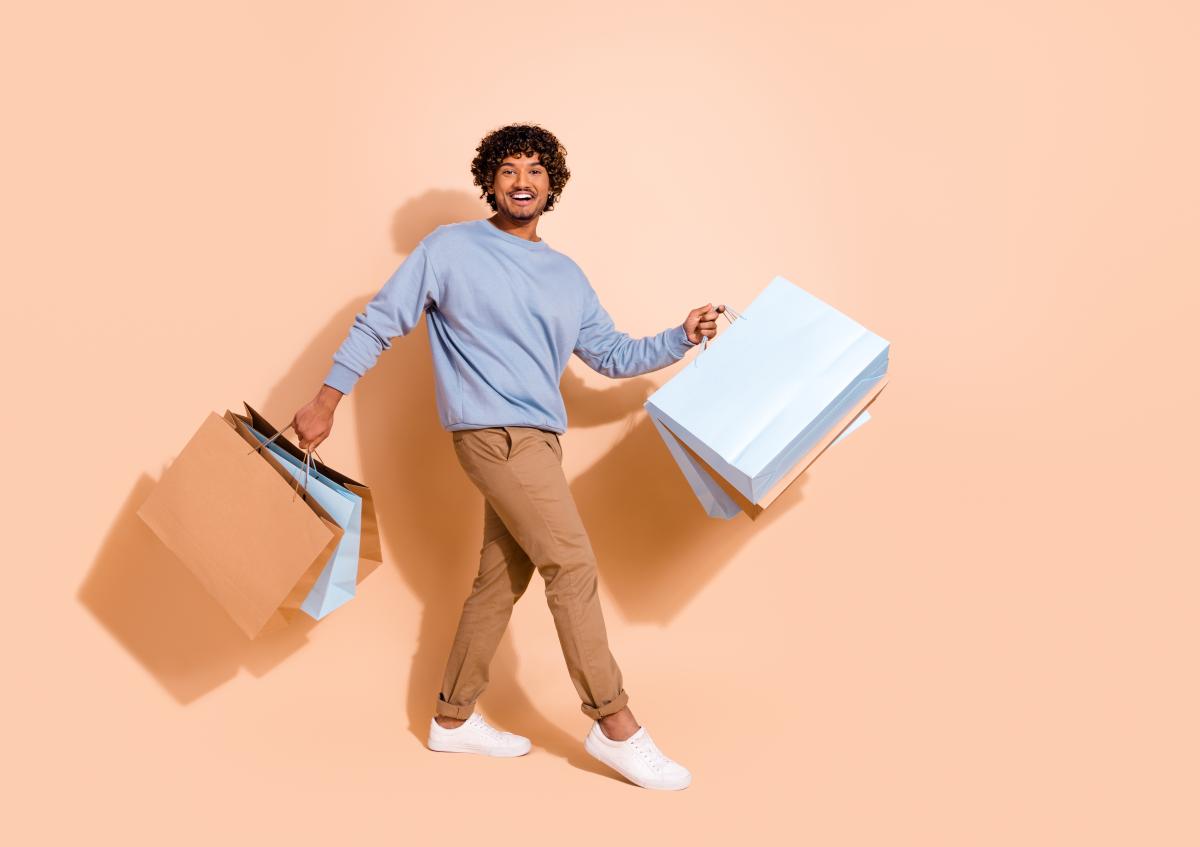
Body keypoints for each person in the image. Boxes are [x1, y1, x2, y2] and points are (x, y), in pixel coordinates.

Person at [290, 123, 722, 791]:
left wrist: (681, 336)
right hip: (493, 436)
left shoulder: (565, 274)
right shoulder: (450, 249)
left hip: (540, 442)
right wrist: (326, 399)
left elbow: (611, 355)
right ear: (489, 179)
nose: (522, 181)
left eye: (536, 170)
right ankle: (616, 724)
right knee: (571, 562)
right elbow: (380, 319)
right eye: (509, 169)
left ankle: (453, 718)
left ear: (553, 184)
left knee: (499, 581)